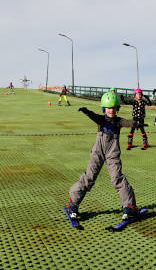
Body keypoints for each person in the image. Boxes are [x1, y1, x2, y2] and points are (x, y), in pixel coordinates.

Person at [65, 91, 140, 221]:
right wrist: (87, 112)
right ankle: (74, 202)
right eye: (108, 108)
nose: (111, 110)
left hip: (112, 152)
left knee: (117, 177)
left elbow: (127, 122)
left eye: (114, 108)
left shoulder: (118, 121)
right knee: (90, 176)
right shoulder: (101, 119)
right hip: (98, 151)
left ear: (117, 108)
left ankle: (129, 206)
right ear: (104, 108)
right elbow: (95, 117)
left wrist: (136, 124)